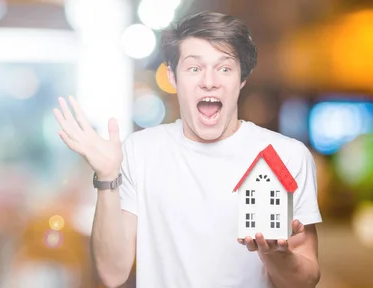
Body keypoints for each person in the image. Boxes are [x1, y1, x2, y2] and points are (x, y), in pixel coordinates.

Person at [53, 11, 322, 288]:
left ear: (242, 78)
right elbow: (112, 273)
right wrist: (107, 177)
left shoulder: (287, 156)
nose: (209, 81)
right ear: (173, 76)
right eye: (194, 68)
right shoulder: (140, 151)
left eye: (225, 68)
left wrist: (277, 256)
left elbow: (305, 281)